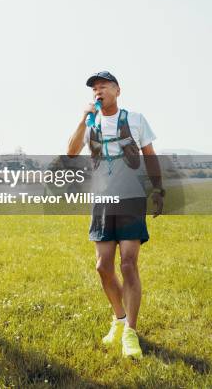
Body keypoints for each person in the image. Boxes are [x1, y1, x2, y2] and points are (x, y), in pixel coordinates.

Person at [67, 71, 164, 359]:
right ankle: (119, 319)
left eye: (104, 86)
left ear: (117, 90)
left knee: (129, 264)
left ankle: (130, 332)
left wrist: (158, 190)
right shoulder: (90, 122)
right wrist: (82, 118)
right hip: (102, 201)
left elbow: (150, 155)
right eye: (95, 88)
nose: (98, 91)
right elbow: (71, 152)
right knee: (102, 267)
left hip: (132, 199)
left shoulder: (135, 119)